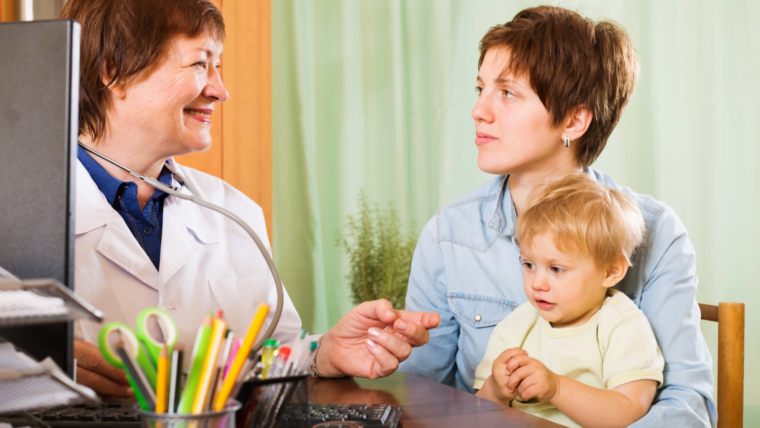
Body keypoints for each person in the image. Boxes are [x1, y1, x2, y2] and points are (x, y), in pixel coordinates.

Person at [61, 0, 439, 398]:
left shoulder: (233, 212)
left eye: (217, 67)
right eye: (199, 64)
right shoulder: (18, 219)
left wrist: (322, 354)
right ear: (113, 71)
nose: (220, 91)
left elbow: (267, 355)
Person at [398, 6, 716, 426]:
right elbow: (419, 396)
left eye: (507, 93)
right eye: (480, 89)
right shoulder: (448, 235)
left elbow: (688, 407)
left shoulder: (655, 233)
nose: (479, 111)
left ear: (573, 119)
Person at [474, 174, 664, 428]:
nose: (537, 283)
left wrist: (556, 388)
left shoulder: (622, 325)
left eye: (556, 269)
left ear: (610, 271)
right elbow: (475, 413)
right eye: (529, 264)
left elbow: (629, 410)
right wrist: (495, 391)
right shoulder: (517, 325)